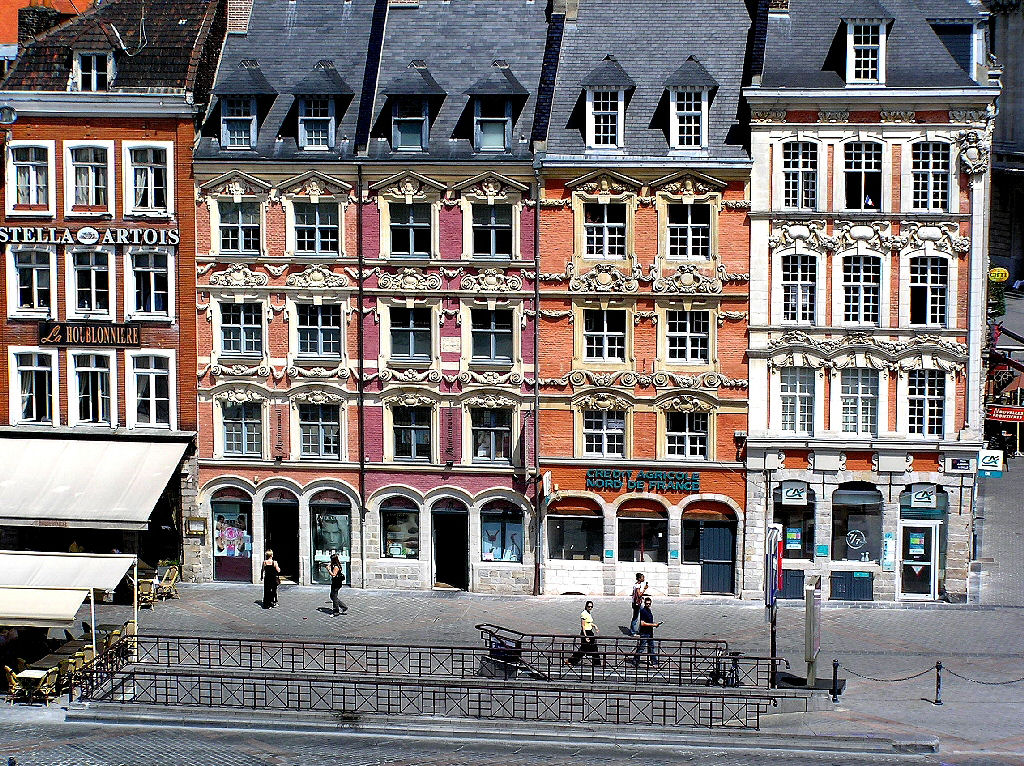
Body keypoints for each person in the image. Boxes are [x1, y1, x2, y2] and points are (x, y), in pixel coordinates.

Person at [566, 600, 601, 667]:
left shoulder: (588, 613)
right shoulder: (584, 614)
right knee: (584, 649)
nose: (590, 608)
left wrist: (595, 626)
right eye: (589, 606)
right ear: (586, 606)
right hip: (586, 633)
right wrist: (585, 637)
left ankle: (596, 663)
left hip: (590, 632)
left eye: (591, 607)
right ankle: (571, 660)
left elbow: (589, 623)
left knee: (593, 648)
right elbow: (583, 626)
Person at [628, 596, 661, 667]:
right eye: (647, 604)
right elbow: (642, 623)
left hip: (650, 632)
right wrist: (653, 625)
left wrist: (654, 624)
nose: (648, 605)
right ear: (644, 603)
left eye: (649, 604)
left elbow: (648, 621)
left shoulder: (649, 610)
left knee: (651, 647)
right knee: (641, 648)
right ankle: (635, 661)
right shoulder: (643, 611)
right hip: (644, 633)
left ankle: (654, 662)